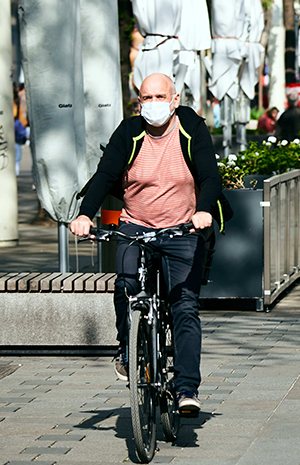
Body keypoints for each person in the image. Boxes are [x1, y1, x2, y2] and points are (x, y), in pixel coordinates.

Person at [70, 73, 229, 416]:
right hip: (135, 226)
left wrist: (203, 211)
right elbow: (105, 175)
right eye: (146, 98)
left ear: (174, 101)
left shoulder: (191, 127)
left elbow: (209, 176)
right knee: (126, 285)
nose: (153, 103)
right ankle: (127, 351)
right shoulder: (129, 131)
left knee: (184, 305)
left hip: (183, 229)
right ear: (138, 102)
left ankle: (187, 388)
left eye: (160, 96)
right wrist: (85, 214)